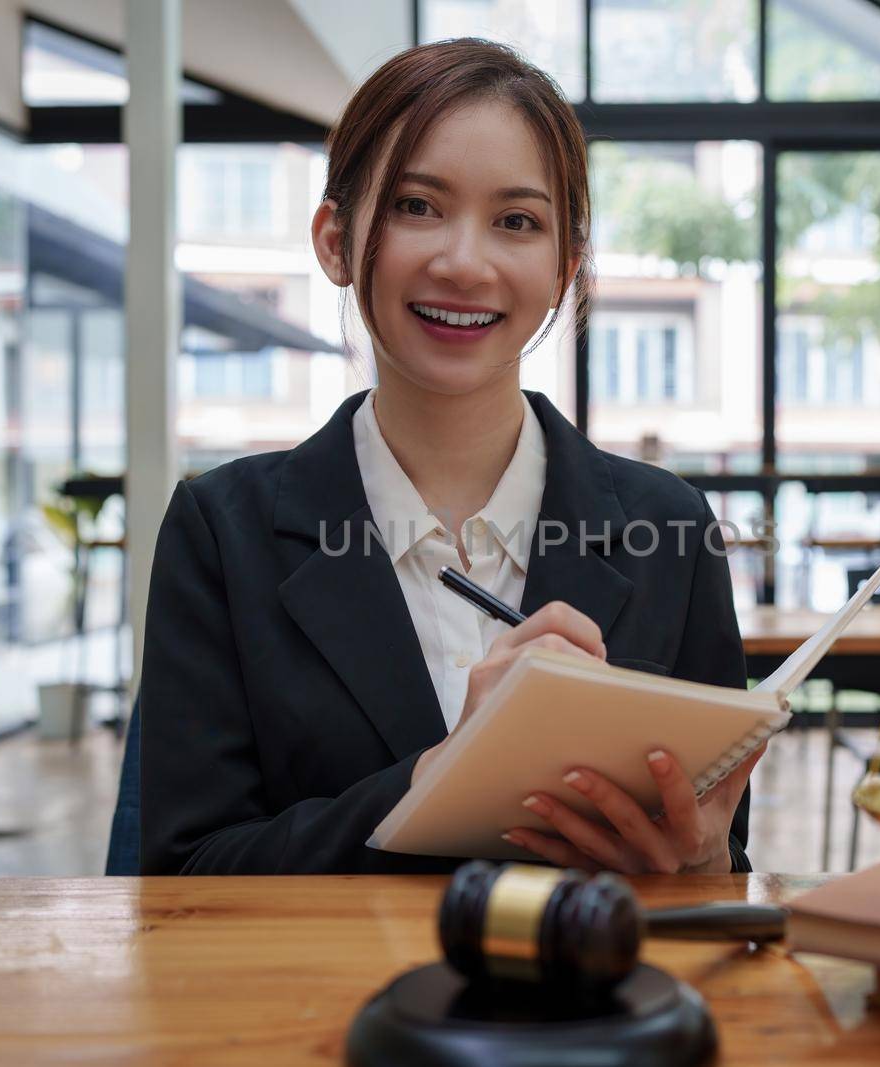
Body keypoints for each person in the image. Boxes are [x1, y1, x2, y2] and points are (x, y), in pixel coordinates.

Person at [139, 39, 758, 876]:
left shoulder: (670, 532)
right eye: (416, 206)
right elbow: (179, 878)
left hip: (589, 998)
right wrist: (441, 775)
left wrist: (706, 860)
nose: (464, 263)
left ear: (565, 267)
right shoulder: (222, 533)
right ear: (334, 237)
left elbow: (722, 864)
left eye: (517, 221)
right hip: (324, 1005)